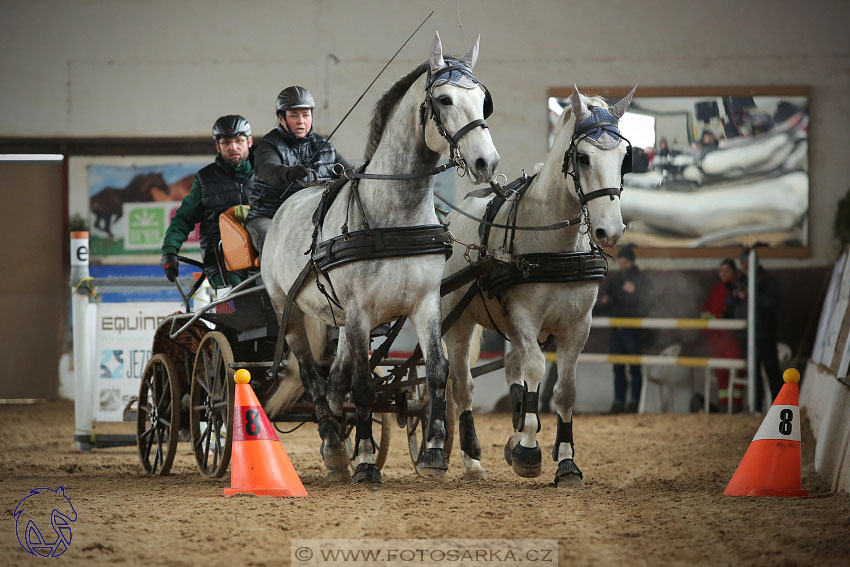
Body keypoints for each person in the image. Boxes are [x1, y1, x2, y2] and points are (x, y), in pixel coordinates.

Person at [245, 86, 349, 253]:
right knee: (273, 246)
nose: (301, 120)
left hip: (309, 216)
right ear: (281, 117)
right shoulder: (268, 146)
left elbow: (348, 171)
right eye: (294, 115)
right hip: (269, 215)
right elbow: (268, 169)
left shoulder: (324, 146)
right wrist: (288, 173)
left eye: (305, 115)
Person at [160, 114, 256, 288]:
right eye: (226, 142)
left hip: (263, 262)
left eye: (239, 141)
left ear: (249, 142)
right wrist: (169, 250)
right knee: (238, 307)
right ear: (218, 146)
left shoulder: (266, 176)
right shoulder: (205, 179)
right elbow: (183, 218)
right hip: (222, 265)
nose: (233, 147)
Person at [597, 244, 652, 413]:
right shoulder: (617, 281)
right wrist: (601, 306)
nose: (622, 266)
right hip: (618, 328)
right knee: (618, 367)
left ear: (632, 262)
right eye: (621, 262)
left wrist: (635, 293)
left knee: (634, 367)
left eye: (625, 262)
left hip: (633, 329)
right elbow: (608, 302)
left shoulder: (642, 280)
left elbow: (647, 302)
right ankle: (619, 402)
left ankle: (634, 403)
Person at [727, 247, 783, 411]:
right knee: (753, 372)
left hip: (764, 333)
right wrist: (737, 295)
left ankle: (778, 408)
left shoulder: (768, 282)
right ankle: (756, 407)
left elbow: (771, 303)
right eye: (742, 262)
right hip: (746, 335)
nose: (745, 265)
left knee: (771, 369)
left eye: (747, 262)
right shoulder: (742, 281)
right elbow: (729, 302)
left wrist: (752, 294)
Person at [701, 259, 744, 412]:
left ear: (733, 271)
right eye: (721, 270)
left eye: (726, 270)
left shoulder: (739, 287)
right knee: (721, 371)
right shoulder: (716, 291)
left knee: (735, 369)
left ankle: (736, 402)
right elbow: (706, 312)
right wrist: (708, 329)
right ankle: (724, 402)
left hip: (732, 337)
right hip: (717, 339)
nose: (723, 273)